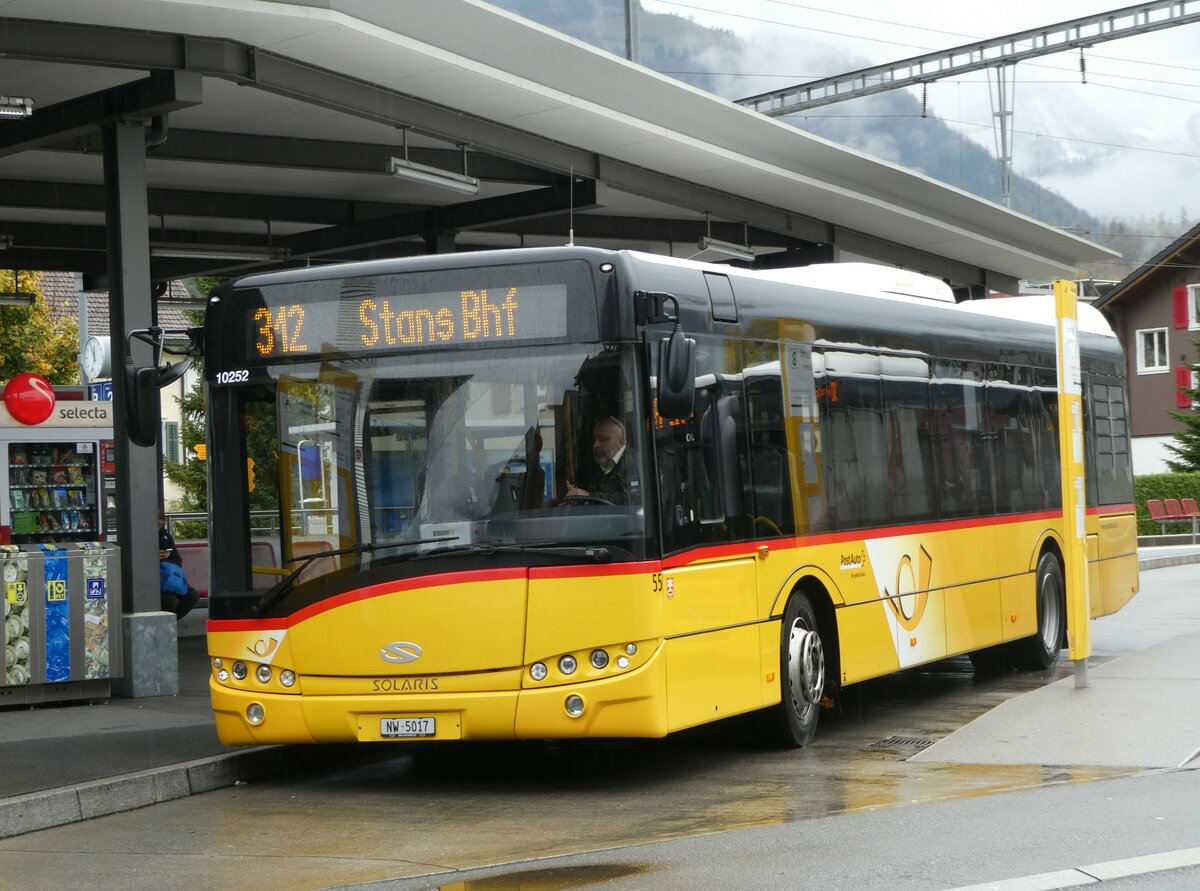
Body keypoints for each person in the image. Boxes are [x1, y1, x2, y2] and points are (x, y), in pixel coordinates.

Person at [566, 416, 640, 504]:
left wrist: (589, 497)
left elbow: (634, 501)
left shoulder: (637, 465)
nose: (596, 445)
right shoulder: (590, 465)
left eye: (603, 439)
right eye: (594, 439)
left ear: (622, 441)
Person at [159, 517, 199, 620]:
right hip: (151, 581)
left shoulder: (165, 537)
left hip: (167, 578)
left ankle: (169, 623)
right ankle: (165, 625)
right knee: (168, 601)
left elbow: (177, 559)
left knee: (192, 596)